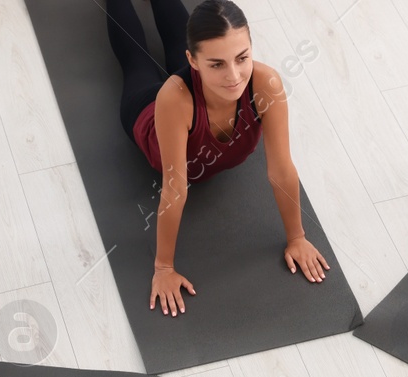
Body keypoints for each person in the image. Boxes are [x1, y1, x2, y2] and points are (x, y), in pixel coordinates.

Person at [106, 0, 328, 315]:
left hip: (197, 92)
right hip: (148, 114)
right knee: (136, 62)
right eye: (217, 63)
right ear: (193, 61)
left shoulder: (266, 84)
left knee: (176, 34)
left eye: (242, 58)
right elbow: (174, 189)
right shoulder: (173, 97)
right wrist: (164, 267)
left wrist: (297, 237)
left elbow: (281, 170)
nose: (234, 76)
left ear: (252, 48)